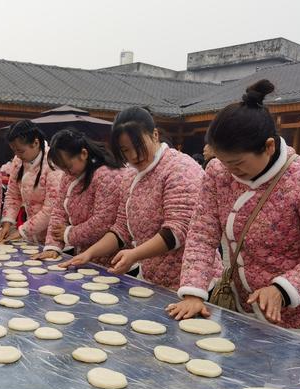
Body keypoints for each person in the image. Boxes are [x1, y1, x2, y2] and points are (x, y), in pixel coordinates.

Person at [166, 80, 300, 340]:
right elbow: (201, 235)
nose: (231, 172)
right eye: (224, 162)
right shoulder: (218, 173)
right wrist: (194, 292)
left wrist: (282, 290)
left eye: (238, 164)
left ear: (269, 147)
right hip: (243, 311)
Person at [60, 107, 208, 290]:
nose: (133, 156)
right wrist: (89, 254)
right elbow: (122, 228)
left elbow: (177, 230)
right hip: (151, 279)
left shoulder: (180, 168)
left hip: (190, 281)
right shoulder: (130, 175)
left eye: (139, 147)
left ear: (154, 135)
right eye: (125, 150)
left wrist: (135, 254)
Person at [33, 129, 128, 264]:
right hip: (85, 256)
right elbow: (59, 211)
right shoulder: (70, 176)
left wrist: (69, 234)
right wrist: (53, 246)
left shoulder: (108, 175)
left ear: (83, 154)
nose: (66, 172)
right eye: (63, 169)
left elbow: (103, 221)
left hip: (113, 259)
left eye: (68, 166)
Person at [0, 120, 63, 244]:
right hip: (32, 236)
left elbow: (50, 210)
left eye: (20, 151)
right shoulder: (18, 161)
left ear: (36, 143)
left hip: (54, 237)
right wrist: (7, 222)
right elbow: (13, 195)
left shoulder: (53, 163)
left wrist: (22, 231)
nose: (17, 155)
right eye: (14, 150)